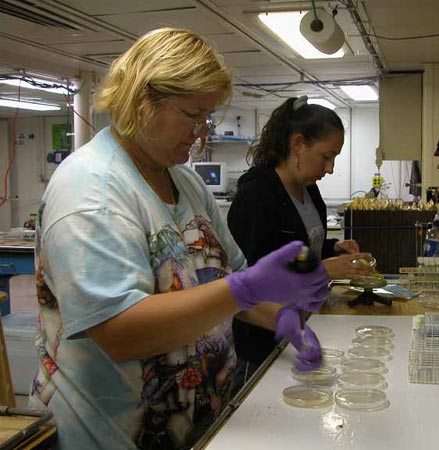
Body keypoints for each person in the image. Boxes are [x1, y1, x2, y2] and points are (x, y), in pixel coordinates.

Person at [29, 28, 328, 450]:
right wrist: (244, 289)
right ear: (142, 101)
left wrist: (282, 319)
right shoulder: (92, 191)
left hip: (197, 428)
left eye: (208, 117)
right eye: (193, 114)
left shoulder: (184, 181)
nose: (201, 132)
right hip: (111, 436)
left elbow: (233, 277)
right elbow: (120, 331)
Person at [227, 96, 374, 388]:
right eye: (326, 156)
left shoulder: (309, 191)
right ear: (297, 145)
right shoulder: (256, 196)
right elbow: (254, 273)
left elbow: (301, 246)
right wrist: (323, 268)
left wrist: (333, 249)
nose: (330, 168)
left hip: (303, 325)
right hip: (262, 342)